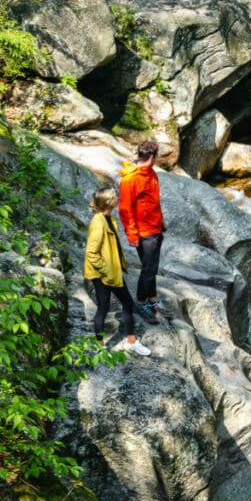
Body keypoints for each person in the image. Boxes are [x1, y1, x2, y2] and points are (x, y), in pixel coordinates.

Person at [84, 187, 151, 356]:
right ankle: (100, 346)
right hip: (103, 274)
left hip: (112, 271)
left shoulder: (109, 218)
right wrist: (106, 270)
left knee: (126, 303)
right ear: (108, 202)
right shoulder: (98, 222)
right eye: (114, 196)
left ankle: (131, 341)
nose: (117, 198)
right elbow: (91, 253)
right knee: (104, 307)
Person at [118, 139, 174, 325]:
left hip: (155, 227)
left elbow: (153, 201)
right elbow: (125, 209)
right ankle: (141, 303)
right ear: (151, 157)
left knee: (153, 268)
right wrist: (132, 235)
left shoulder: (151, 174)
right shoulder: (130, 179)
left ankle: (152, 301)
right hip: (143, 232)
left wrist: (161, 220)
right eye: (156, 157)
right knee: (148, 269)